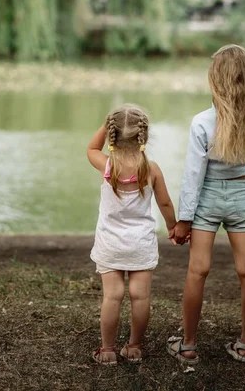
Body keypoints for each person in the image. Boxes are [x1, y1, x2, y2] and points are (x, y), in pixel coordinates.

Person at [167, 45, 245, 365]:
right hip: (239, 196)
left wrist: (183, 220)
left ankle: (189, 346)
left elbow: (192, 176)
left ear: (216, 81)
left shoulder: (202, 122)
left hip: (207, 199)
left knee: (197, 270)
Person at [88, 104, 177, 365]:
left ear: (112, 134)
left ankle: (107, 350)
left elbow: (91, 149)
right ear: (144, 136)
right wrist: (173, 226)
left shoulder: (107, 166)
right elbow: (165, 204)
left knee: (112, 296)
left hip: (110, 243)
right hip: (141, 244)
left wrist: (107, 125)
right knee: (140, 296)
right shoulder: (151, 169)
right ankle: (135, 346)